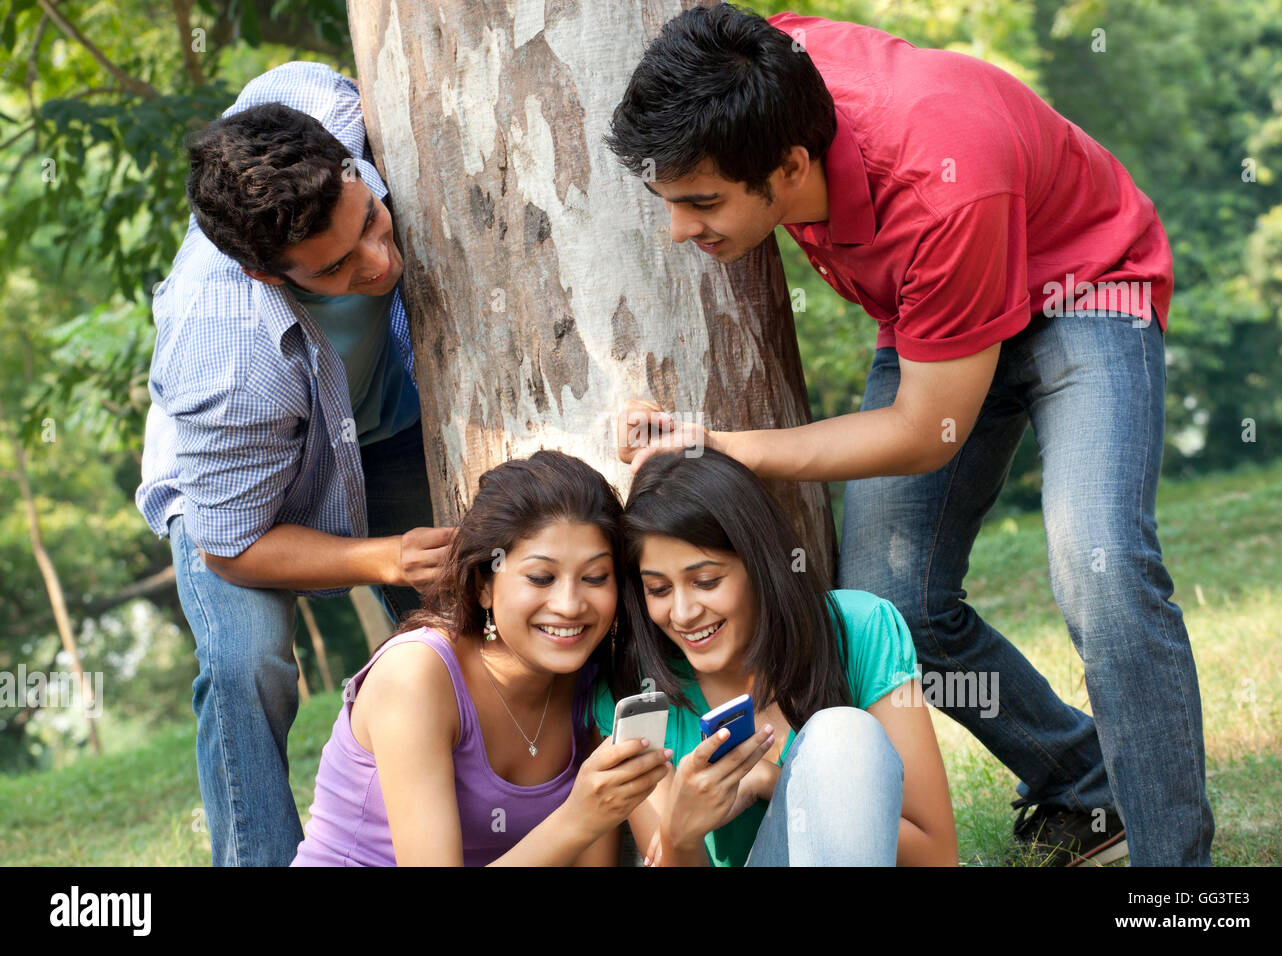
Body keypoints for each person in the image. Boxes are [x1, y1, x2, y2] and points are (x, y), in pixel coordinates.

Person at [607, 4, 1212, 866]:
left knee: (1102, 565)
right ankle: (1084, 781)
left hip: (1083, 289)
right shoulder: (765, 67)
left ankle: (1177, 880)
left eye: (701, 203)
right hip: (940, 319)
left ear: (789, 165)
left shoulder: (939, 184)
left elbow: (928, 431)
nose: (679, 229)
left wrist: (728, 446)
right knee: (893, 605)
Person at [135, 61, 453, 866]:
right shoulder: (223, 358)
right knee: (248, 662)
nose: (377, 265)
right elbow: (232, 547)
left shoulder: (314, 106)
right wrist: (377, 556)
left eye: (374, 224)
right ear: (264, 271)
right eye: (337, 268)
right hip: (237, 489)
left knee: (461, 613)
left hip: (383, 427)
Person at [292, 450, 670, 866]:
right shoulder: (415, 677)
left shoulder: (593, 689)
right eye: (541, 577)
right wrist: (581, 817)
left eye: (595, 577)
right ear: (483, 585)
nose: (569, 604)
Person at [596, 446, 958, 867]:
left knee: (842, 733)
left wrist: (772, 782)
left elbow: (936, 856)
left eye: (706, 581)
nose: (683, 613)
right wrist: (680, 832)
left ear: (760, 564)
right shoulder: (634, 694)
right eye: (658, 589)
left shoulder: (859, 629)